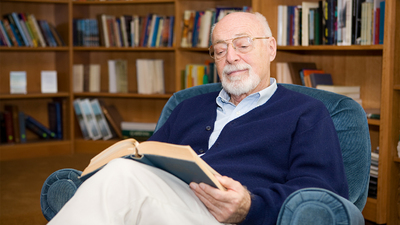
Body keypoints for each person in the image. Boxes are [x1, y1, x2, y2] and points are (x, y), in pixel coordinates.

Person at [47, 12, 348, 225]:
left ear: (270, 48)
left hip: (230, 218)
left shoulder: (306, 112)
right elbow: (148, 160)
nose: (231, 57)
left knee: (120, 177)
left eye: (242, 45)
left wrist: (250, 206)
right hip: (168, 208)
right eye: (220, 50)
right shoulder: (188, 107)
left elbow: (321, 191)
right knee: (121, 170)